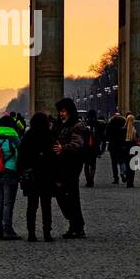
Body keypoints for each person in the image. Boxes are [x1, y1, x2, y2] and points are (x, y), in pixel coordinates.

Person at [52, 98, 90, 238]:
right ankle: (74, 223)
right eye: (60, 111)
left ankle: (76, 226)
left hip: (71, 165)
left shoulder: (77, 126)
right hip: (61, 165)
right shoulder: (60, 125)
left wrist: (64, 147)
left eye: (63, 111)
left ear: (69, 111)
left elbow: (78, 145)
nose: (61, 114)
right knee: (62, 194)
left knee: (71, 196)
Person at [18, 112, 56, 242]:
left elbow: (21, 156)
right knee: (46, 205)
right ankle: (47, 233)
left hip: (32, 175)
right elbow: (54, 156)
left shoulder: (28, 136)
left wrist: (22, 171)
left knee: (32, 206)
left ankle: (31, 233)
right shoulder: (49, 135)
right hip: (46, 174)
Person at [0, 113, 22, 240]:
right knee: (8, 203)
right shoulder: (14, 138)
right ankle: (7, 229)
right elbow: (20, 155)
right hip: (9, 171)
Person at [82, 109, 102, 187]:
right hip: (94, 147)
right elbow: (101, 137)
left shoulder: (85, 125)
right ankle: (91, 179)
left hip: (86, 148)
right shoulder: (98, 125)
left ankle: (88, 180)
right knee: (93, 164)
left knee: (86, 164)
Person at [105, 112, 127, 183]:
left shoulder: (110, 124)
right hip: (121, 145)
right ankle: (123, 173)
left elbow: (107, 135)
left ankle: (116, 178)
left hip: (113, 145)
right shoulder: (124, 123)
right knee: (122, 161)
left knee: (114, 163)